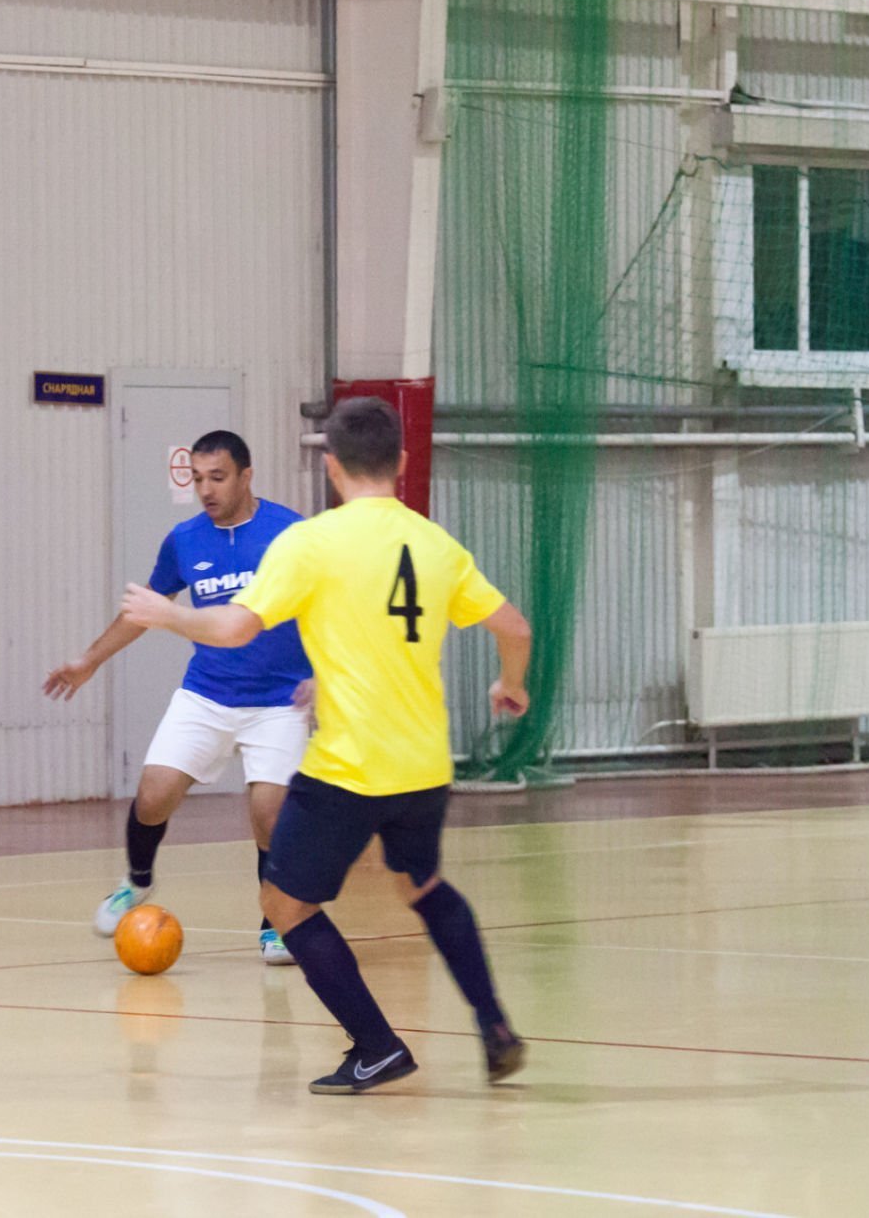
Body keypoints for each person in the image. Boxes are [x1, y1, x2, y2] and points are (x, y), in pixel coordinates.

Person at [122, 396, 533, 1093]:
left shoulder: (311, 542)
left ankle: (377, 1046)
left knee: (285, 906)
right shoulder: (435, 543)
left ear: (333, 468)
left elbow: (236, 628)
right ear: (402, 462)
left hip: (349, 766)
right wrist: (510, 684)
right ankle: (494, 1025)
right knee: (424, 886)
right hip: (423, 765)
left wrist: (168, 614)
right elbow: (514, 628)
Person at [46, 430, 312, 965]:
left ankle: (275, 922)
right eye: (197, 479)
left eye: (218, 477)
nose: (206, 490)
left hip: (279, 700)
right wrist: (90, 660)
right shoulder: (184, 540)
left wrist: (329, 673)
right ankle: (137, 880)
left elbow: (330, 605)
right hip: (207, 694)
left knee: (270, 814)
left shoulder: (291, 534)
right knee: (153, 794)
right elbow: (144, 610)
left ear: (246, 476)